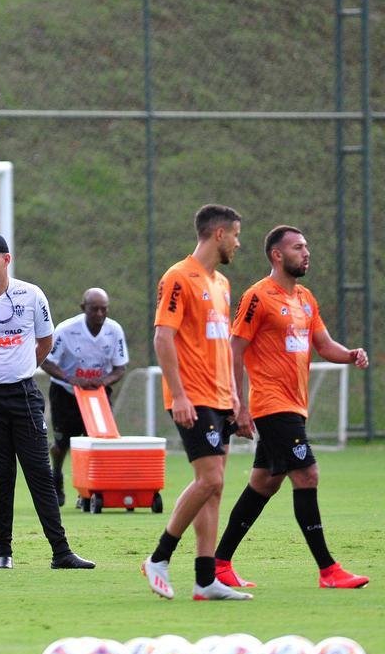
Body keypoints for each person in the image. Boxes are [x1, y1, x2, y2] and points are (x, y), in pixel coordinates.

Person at [215, 225, 370, 590]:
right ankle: (328, 570)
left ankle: (220, 564)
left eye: (306, 246)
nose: (306, 252)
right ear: (277, 255)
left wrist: (349, 355)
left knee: (265, 483)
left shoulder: (305, 298)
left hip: (294, 405)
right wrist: (239, 405)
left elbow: (324, 344)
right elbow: (235, 349)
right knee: (307, 474)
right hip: (271, 404)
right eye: (298, 247)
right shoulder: (257, 296)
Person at [0, 233, 95, 571]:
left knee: (40, 471)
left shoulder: (31, 296)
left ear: (6, 260)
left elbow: (45, 341)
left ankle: (61, 552)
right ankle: (4, 552)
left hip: (23, 394)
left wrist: (21, 368)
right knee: (0, 474)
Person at [141, 203, 251, 601]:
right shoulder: (178, 277)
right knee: (210, 479)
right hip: (193, 397)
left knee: (214, 489)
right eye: (236, 235)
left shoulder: (221, 284)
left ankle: (205, 580)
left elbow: (220, 347)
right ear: (219, 234)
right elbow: (163, 338)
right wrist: (181, 395)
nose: (238, 243)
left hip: (221, 398)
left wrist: (236, 399)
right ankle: (159, 557)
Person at [41, 287, 128, 507]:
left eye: (103, 309)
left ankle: (88, 491)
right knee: (62, 443)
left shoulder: (114, 330)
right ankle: (56, 476)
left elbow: (120, 368)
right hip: (66, 392)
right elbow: (46, 361)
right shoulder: (66, 330)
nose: (99, 314)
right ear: (83, 308)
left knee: (97, 442)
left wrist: (104, 381)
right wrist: (70, 379)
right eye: (94, 309)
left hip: (97, 395)